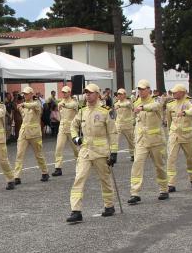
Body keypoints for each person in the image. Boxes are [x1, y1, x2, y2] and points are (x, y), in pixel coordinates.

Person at [66, 83, 118, 223]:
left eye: (90, 92)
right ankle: (76, 211)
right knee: (79, 178)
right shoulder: (82, 110)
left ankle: (109, 205)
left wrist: (114, 152)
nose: (87, 95)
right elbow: (73, 126)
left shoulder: (106, 111)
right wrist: (75, 138)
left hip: (101, 152)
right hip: (85, 151)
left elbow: (113, 133)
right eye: (86, 93)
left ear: (97, 94)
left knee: (105, 180)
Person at [127, 79, 168, 204]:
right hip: (141, 141)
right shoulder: (136, 102)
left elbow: (156, 106)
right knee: (137, 165)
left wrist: (143, 107)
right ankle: (135, 192)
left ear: (149, 90)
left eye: (143, 89)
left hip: (155, 140)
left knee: (159, 166)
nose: (140, 91)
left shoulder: (156, 100)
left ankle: (163, 189)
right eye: (139, 89)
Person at [13, 87, 50, 184]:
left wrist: (23, 104)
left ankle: (45, 172)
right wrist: (21, 106)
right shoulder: (23, 106)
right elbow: (23, 115)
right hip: (24, 133)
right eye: (23, 94)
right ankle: (16, 177)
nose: (24, 95)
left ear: (31, 94)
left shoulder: (36, 103)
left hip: (34, 134)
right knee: (19, 155)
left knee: (39, 154)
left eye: (26, 94)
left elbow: (33, 105)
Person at [165, 84, 192, 191]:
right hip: (174, 135)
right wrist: (170, 131)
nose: (173, 93)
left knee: (190, 158)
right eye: (173, 92)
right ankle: (171, 183)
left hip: (187, 136)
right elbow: (169, 120)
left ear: (183, 92)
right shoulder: (170, 104)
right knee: (171, 158)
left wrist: (185, 112)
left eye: (176, 92)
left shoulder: (189, 102)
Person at [52, 86, 79, 176]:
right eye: (62, 92)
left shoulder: (74, 102)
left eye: (65, 92)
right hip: (62, 128)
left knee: (76, 149)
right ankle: (58, 168)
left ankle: (81, 165)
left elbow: (71, 106)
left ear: (69, 93)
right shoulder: (61, 102)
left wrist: (63, 105)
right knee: (58, 148)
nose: (63, 94)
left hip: (72, 129)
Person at [113, 88, 135, 160]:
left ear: (124, 95)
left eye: (121, 94)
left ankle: (133, 154)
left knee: (131, 141)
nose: (119, 96)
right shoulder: (116, 103)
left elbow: (128, 105)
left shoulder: (129, 102)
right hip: (118, 124)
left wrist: (120, 105)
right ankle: (114, 155)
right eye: (118, 94)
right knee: (115, 140)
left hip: (128, 125)